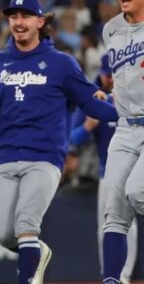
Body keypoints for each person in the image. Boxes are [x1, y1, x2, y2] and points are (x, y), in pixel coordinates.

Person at [0, 0, 119, 284]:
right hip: (6, 156)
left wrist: (123, 110)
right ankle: (37, 253)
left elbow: (89, 103)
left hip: (45, 157)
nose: (18, 22)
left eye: (25, 16)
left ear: (40, 22)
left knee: (26, 226)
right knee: (5, 234)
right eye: (13, 16)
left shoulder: (61, 64)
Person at [70, 55, 137, 284]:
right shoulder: (94, 101)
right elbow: (72, 138)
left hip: (138, 169)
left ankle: (125, 275)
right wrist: (89, 125)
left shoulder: (135, 95)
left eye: (113, 73)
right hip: (106, 171)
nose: (110, 79)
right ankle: (111, 277)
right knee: (109, 224)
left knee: (129, 225)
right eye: (107, 74)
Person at [100, 0, 144, 284]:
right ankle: (112, 281)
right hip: (126, 128)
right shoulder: (111, 30)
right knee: (113, 210)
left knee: (137, 192)